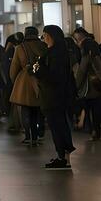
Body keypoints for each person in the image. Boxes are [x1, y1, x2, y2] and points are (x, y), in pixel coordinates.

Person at [34, 24, 75, 169]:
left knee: (57, 126)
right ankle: (63, 155)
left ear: (50, 36)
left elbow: (53, 76)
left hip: (53, 96)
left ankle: (62, 157)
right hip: (58, 96)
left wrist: (37, 71)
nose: (43, 38)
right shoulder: (60, 52)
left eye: (44, 35)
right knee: (60, 125)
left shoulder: (54, 54)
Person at [9, 25, 45, 145]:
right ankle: (37, 135)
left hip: (24, 80)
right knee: (37, 110)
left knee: (25, 110)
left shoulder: (20, 47)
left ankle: (28, 136)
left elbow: (14, 67)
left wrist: (15, 81)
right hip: (40, 79)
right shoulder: (43, 46)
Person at [73, 26, 101, 141]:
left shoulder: (86, 46)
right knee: (96, 108)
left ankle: (94, 131)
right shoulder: (94, 44)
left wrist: (76, 85)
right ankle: (95, 131)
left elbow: (82, 69)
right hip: (98, 83)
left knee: (90, 108)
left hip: (90, 86)